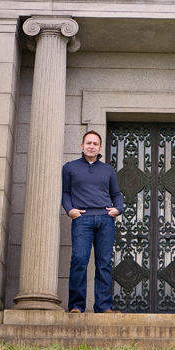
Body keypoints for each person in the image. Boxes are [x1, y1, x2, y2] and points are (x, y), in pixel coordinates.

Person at [62, 130, 124, 314]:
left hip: (105, 219)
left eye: (95, 144)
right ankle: (76, 306)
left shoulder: (108, 170)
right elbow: (66, 193)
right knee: (79, 260)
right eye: (88, 143)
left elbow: (116, 194)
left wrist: (118, 209)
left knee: (104, 263)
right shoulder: (70, 167)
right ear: (82, 146)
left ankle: (104, 307)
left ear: (99, 148)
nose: (91, 146)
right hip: (82, 219)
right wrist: (70, 211)